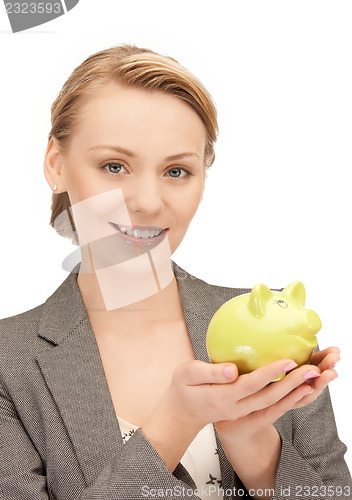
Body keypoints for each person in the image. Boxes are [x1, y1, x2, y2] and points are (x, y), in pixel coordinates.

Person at [0, 44, 350, 500]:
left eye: (177, 171)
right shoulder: (8, 363)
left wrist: (251, 442)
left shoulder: (272, 326)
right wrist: (173, 425)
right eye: (114, 166)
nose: (147, 201)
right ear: (56, 164)